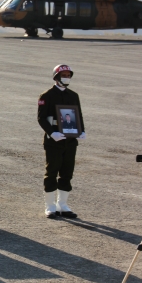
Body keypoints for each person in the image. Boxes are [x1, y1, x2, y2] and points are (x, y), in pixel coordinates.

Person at [38, 64, 86, 219]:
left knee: (67, 172)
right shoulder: (47, 95)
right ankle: (50, 206)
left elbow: (78, 115)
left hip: (70, 140)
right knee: (52, 172)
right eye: (64, 75)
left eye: (68, 75)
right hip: (54, 140)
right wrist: (52, 133)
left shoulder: (73, 95)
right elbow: (41, 118)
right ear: (56, 77)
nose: (66, 78)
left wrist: (81, 131)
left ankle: (62, 205)